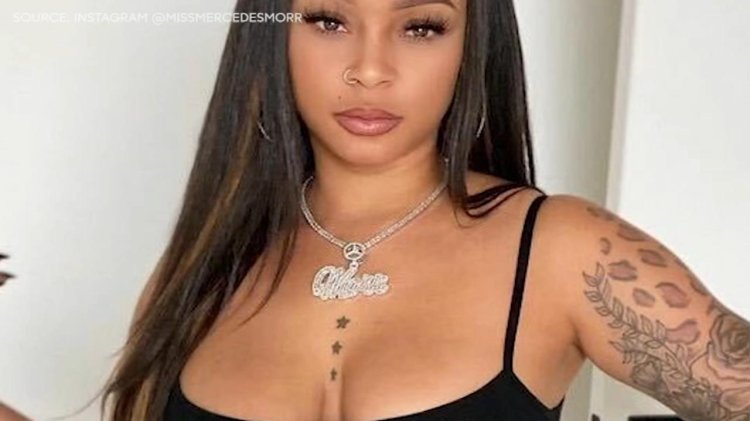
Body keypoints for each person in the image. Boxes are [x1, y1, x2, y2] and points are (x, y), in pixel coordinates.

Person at [99, 0, 750, 420]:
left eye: (420, 27)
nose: (370, 69)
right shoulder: (199, 274)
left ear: (473, 43)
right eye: (328, 20)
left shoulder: (561, 250)